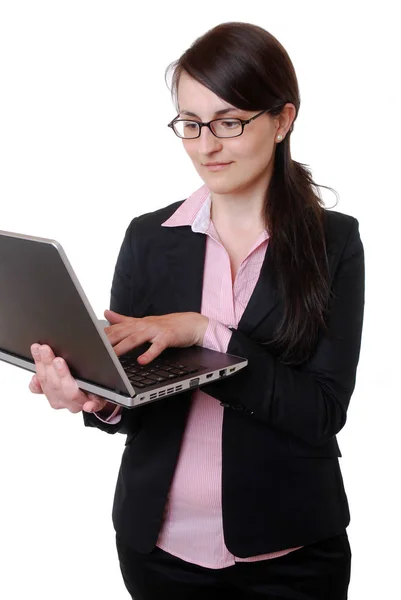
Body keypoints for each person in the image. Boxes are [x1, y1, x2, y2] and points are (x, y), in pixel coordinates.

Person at [28, 21, 365, 600]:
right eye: (190, 123)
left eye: (230, 122)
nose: (207, 145)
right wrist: (92, 397)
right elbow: (135, 402)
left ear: (283, 120)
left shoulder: (332, 243)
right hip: (158, 550)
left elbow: (322, 413)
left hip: (292, 554)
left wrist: (207, 332)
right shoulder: (149, 239)